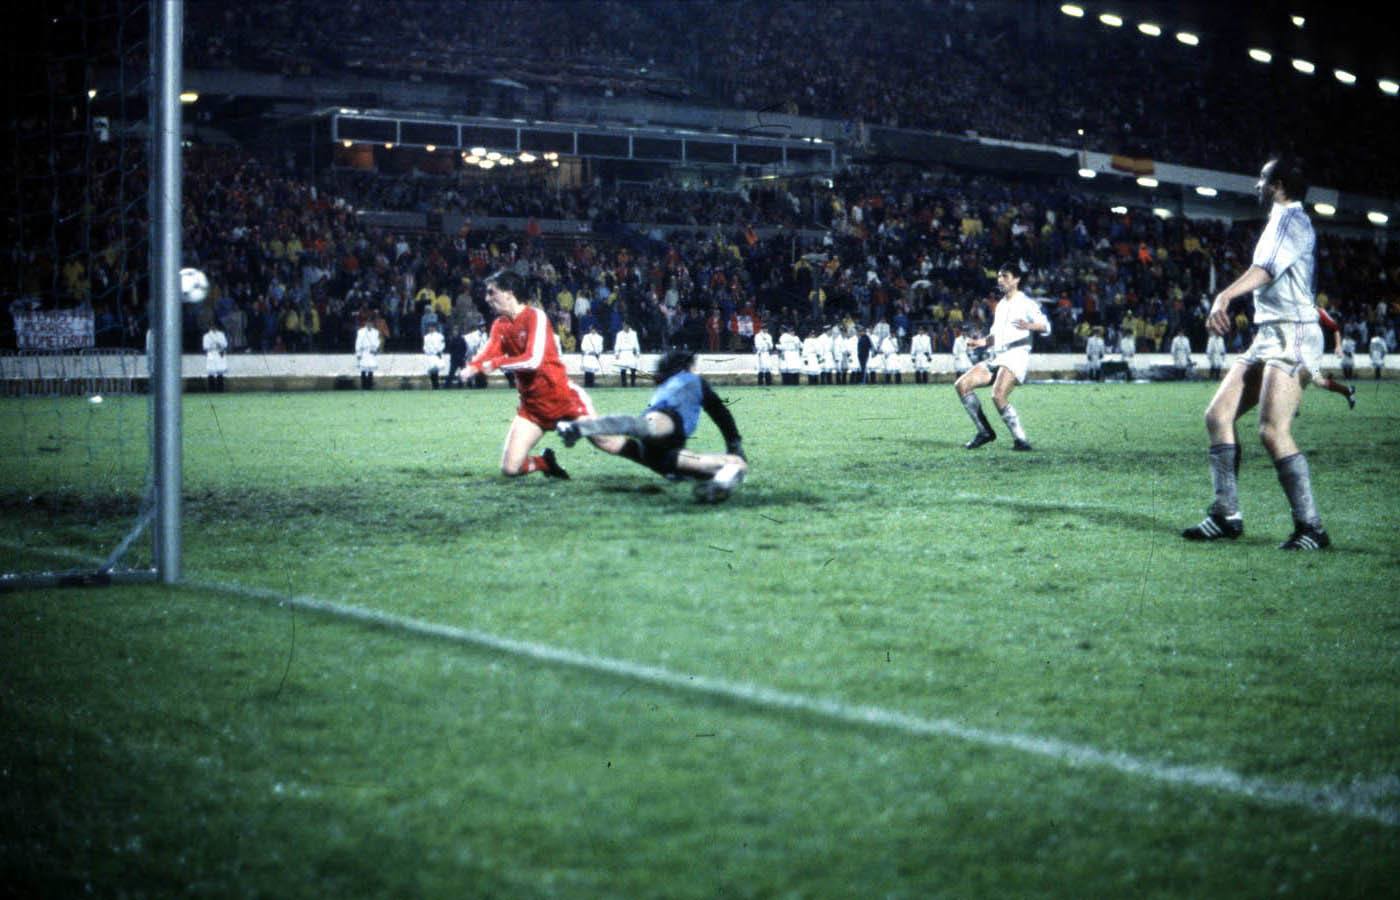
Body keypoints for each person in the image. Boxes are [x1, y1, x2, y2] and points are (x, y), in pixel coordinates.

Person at [1182, 155, 1329, 550]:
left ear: (1278, 185)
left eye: (1262, 179)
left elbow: (1265, 269)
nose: (1256, 185)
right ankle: (1225, 514)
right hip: (1270, 333)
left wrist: (1224, 295)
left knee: (1271, 431)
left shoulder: (1291, 220)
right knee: (1217, 416)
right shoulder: (1280, 220)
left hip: (1293, 334)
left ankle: (1311, 527)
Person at [556, 349, 747, 503]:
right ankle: (580, 427)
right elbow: (720, 412)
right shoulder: (691, 380)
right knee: (737, 464)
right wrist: (734, 443)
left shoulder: (666, 385)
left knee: (621, 440)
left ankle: (580, 427)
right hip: (668, 427)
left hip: (660, 453)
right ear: (685, 367)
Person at [461, 270, 600, 479]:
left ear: (509, 293)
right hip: (533, 406)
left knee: (607, 442)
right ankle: (545, 463)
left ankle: (653, 457)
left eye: (492, 292)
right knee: (510, 469)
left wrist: (496, 363)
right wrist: (473, 366)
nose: (487, 298)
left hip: (560, 397)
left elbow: (532, 360)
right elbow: (491, 348)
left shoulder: (535, 316)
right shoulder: (500, 324)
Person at [954, 265, 1049, 451]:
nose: (1000, 280)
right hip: (997, 355)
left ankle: (1021, 440)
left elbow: (1046, 326)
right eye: (998, 277)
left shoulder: (1027, 303)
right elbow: (995, 336)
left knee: (997, 395)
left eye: (1005, 276)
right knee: (961, 385)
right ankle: (984, 432)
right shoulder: (1001, 305)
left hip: (1016, 355)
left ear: (1016, 279)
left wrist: (1030, 325)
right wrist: (981, 342)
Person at [1313, 308, 1356, 408]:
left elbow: (1335, 327)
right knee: (1317, 381)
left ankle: (1292, 407)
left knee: (1315, 380)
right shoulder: (1291, 309)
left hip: (1311, 353)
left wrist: (1338, 346)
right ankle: (1347, 391)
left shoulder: (1317, 310)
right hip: (1299, 351)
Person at [355, 314, 380, 390]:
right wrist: (358, 353)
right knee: (363, 370)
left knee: (371, 370)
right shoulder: (361, 331)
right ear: (366, 323)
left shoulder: (376, 332)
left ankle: (369, 385)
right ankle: (364, 385)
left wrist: (375, 350)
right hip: (364, 352)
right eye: (368, 322)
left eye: (371, 323)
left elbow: (377, 342)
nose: (369, 324)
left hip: (371, 352)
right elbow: (358, 343)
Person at [613, 320, 641, 387]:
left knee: (633, 368)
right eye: (623, 325)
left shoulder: (634, 333)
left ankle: (633, 384)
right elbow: (617, 344)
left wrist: (637, 352)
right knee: (623, 369)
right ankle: (624, 384)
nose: (624, 327)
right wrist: (616, 353)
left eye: (625, 325)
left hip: (630, 352)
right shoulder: (619, 334)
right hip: (623, 353)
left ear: (628, 326)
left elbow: (636, 343)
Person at [203, 321, 228, 393]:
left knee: (220, 372)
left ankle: (220, 389)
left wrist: (220, 344)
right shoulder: (206, 336)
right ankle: (211, 389)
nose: (213, 328)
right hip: (211, 354)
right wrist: (213, 345)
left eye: (215, 326)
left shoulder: (221, 334)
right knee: (211, 372)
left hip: (219, 354)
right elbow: (205, 346)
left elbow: (225, 344)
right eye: (212, 326)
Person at [579, 323, 604, 388]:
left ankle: (591, 384)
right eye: (591, 329)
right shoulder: (586, 336)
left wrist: (596, 352)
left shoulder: (600, 338)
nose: (592, 330)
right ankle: (586, 384)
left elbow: (600, 348)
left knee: (592, 371)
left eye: (593, 329)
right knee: (587, 370)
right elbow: (583, 346)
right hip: (587, 355)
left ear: (595, 329)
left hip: (594, 356)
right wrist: (588, 351)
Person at [423, 322, 445, 390]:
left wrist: (438, 351)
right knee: (431, 371)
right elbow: (425, 346)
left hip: (436, 355)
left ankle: (436, 385)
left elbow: (442, 345)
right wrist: (427, 351)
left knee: (436, 370)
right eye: (429, 327)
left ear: (434, 328)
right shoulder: (426, 337)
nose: (430, 328)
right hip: (429, 355)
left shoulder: (440, 336)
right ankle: (433, 385)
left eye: (432, 327)